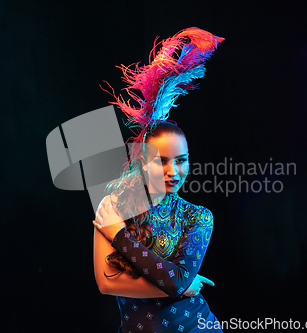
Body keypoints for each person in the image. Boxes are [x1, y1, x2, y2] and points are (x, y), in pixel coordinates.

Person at [92, 27, 224, 332]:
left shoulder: (198, 217)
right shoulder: (114, 205)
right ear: (143, 161)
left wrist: (118, 235)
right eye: (161, 161)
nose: (173, 171)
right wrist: (177, 285)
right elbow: (106, 283)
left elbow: (177, 280)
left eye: (181, 161)